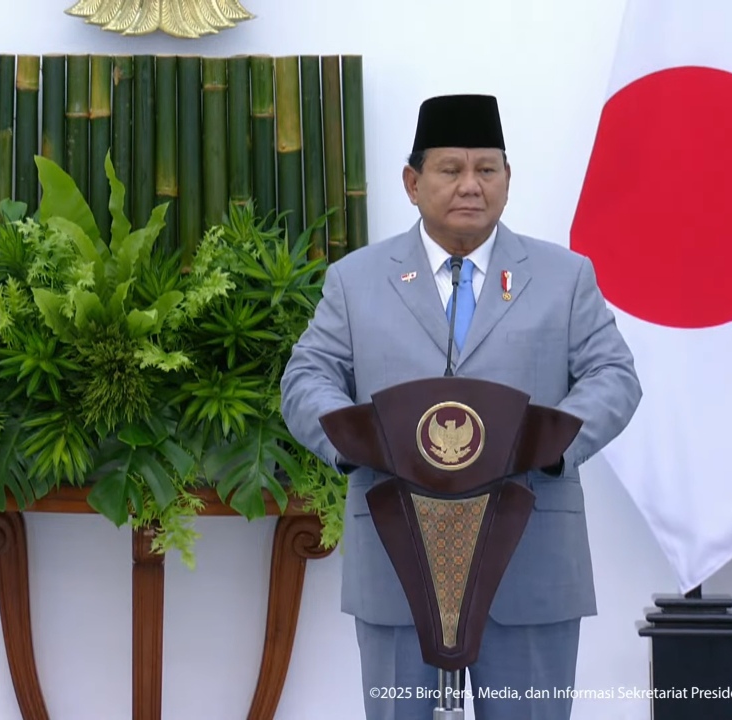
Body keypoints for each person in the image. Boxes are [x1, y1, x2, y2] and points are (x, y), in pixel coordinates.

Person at [280, 94, 642, 720]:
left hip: (531, 563)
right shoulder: (356, 280)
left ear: (508, 180)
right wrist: (357, 444)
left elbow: (614, 375)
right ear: (413, 182)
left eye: (488, 169)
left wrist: (552, 446)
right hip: (398, 559)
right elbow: (306, 377)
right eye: (451, 169)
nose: (471, 186)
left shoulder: (565, 277)